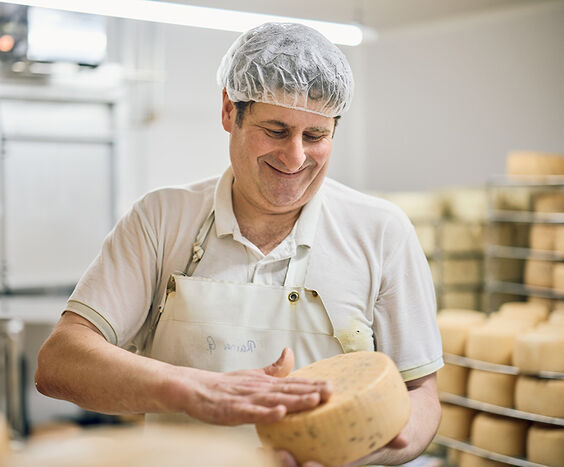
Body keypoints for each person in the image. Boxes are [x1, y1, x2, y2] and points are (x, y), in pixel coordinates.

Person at [35, 22, 443, 467]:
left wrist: (355, 450)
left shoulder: (381, 232)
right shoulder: (161, 220)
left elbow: (421, 394)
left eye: (315, 136)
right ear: (230, 111)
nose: (295, 157)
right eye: (276, 129)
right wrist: (193, 389)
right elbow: (59, 363)